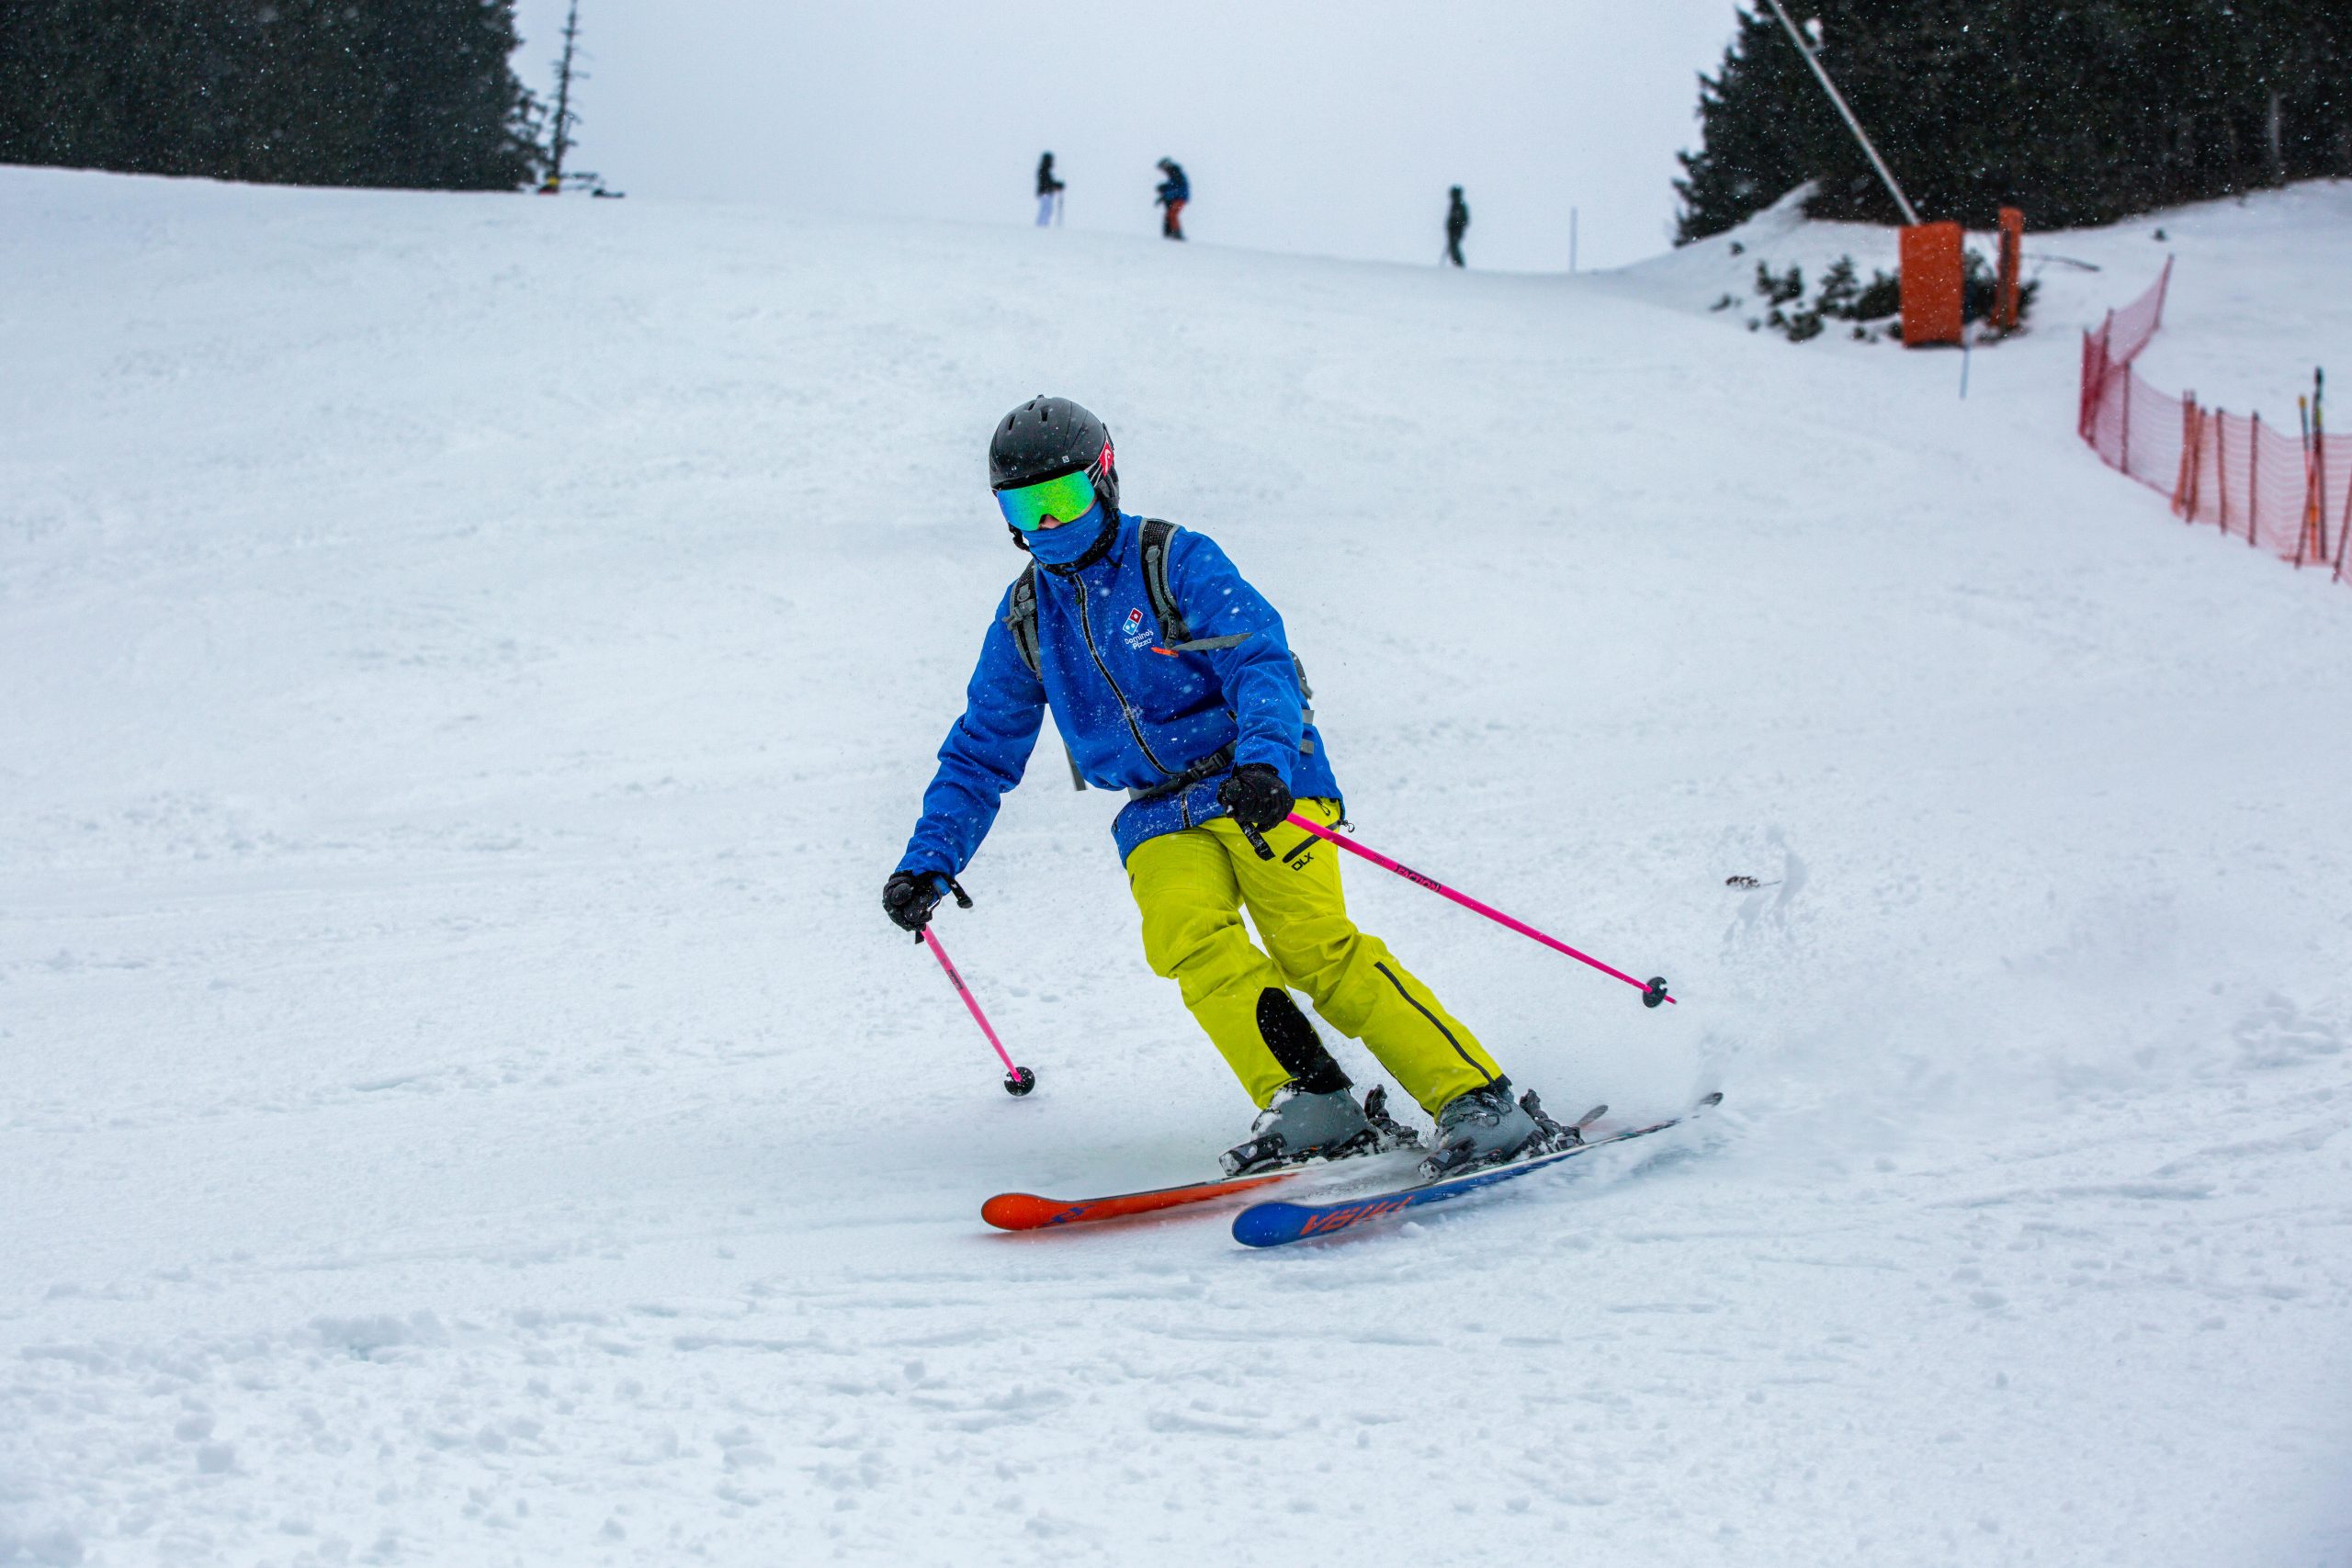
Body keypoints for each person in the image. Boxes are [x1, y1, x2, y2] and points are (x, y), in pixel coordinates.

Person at [883, 397, 1566, 1179]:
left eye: (1062, 498)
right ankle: (1312, 1100)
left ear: (1104, 480)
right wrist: (929, 860)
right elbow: (979, 752)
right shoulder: (1028, 617)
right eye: (1022, 507)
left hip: (1258, 782)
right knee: (1190, 941)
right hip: (1156, 811)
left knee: (1314, 947)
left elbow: (1259, 660)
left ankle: (1477, 1097)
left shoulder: (1171, 559)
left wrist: (1266, 761)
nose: (1046, 523)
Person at [1154, 159, 1189, 241]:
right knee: (1170, 214)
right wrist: (1165, 191)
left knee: (1172, 214)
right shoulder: (1173, 174)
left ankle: (1177, 233)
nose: (1163, 171)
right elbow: (1172, 187)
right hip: (1177, 197)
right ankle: (1172, 232)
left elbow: (1177, 188)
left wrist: (1166, 194)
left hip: (1180, 198)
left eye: (1162, 168)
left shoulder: (1175, 173)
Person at [1035, 152, 1065, 227]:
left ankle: (1043, 224)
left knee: (1047, 209)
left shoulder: (1045, 170)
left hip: (1045, 192)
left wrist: (1056, 185)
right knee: (1046, 209)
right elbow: (1047, 183)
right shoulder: (1044, 170)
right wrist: (1057, 185)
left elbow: (1049, 183)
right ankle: (1041, 225)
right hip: (1045, 193)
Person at [1444, 186, 1469, 267]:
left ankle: (1459, 265)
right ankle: (1458, 264)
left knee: (1454, 248)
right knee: (1453, 248)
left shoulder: (1459, 206)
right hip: (1453, 230)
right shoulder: (1454, 205)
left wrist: (1457, 224)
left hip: (1456, 230)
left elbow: (1464, 220)